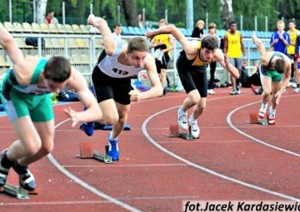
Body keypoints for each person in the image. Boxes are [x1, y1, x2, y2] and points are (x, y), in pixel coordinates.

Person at [0, 26, 102, 190]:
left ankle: (20, 166)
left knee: (47, 147)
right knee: (32, 145)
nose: (56, 91)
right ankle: (4, 161)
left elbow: (96, 110)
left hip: (40, 97)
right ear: (44, 75)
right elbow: (7, 41)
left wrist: (80, 117)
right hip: (15, 95)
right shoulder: (26, 71)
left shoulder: (73, 78)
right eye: (52, 86)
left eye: (61, 87)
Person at [80, 14, 162, 161]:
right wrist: (92, 19)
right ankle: (90, 115)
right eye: (136, 58)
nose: (140, 63)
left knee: (122, 119)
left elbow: (159, 89)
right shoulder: (113, 50)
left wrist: (141, 96)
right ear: (127, 53)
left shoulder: (148, 61)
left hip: (123, 81)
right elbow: (102, 23)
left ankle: (113, 141)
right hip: (103, 77)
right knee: (111, 118)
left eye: (143, 58)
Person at [146, 24, 239, 139]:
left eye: (212, 52)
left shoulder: (217, 55)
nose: (209, 56)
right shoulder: (191, 48)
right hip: (185, 67)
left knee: (202, 105)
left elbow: (237, 75)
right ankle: (182, 111)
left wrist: (228, 65)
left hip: (200, 69)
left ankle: (193, 120)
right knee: (195, 98)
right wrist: (153, 33)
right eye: (207, 52)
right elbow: (172, 29)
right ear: (201, 48)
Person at [252, 32, 291, 125]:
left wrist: (281, 92)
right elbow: (259, 43)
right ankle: (264, 105)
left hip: (276, 73)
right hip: (266, 70)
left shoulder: (288, 63)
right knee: (267, 91)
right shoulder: (265, 59)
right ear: (273, 65)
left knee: (276, 96)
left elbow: (287, 78)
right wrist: (254, 37)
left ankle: (272, 111)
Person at [150, 19, 175, 95]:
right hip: (157, 55)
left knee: (163, 73)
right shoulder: (156, 34)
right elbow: (151, 45)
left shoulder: (169, 34)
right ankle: (157, 88)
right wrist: (157, 45)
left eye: (163, 25)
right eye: (160, 25)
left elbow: (173, 46)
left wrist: (165, 50)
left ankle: (162, 89)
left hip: (165, 55)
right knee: (157, 73)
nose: (161, 26)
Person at [223, 21, 246, 95]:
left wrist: (244, 55)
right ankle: (233, 88)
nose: (234, 28)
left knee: (238, 71)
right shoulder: (227, 35)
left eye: (235, 26)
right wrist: (225, 55)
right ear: (230, 27)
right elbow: (225, 46)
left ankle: (238, 86)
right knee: (232, 71)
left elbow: (242, 45)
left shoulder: (239, 34)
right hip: (230, 55)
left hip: (238, 54)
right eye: (232, 26)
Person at [204, 23, 220, 95]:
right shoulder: (206, 37)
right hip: (206, 56)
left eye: (213, 28)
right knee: (204, 71)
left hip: (213, 57)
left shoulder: (217, 37)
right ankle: (204, 87)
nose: (212, 30)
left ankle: (210, 87)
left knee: (212, 72)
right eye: (211, 28)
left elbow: (217, 47)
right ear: (209, 29)